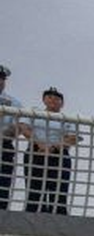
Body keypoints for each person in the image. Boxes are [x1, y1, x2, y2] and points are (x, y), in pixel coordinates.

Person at [22, 86, 77, 215]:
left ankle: (58, 225)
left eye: (57, 98)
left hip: (59, 155)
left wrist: (52, 147)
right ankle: (31, 222)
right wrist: (40, 144)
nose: (53, 100)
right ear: (44, 100)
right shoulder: (34, 112)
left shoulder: (67, 118)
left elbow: (72, 138)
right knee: (34, 190)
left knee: (58, 192)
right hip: (36, 152)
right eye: (49, 97)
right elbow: (24, 128)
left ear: (62, 103)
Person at [0, 65, 21, 210]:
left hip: (4, 143)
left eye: (2, 78)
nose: (0, 81)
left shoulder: (14, 103)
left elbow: (19, 125)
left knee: (3, 183)